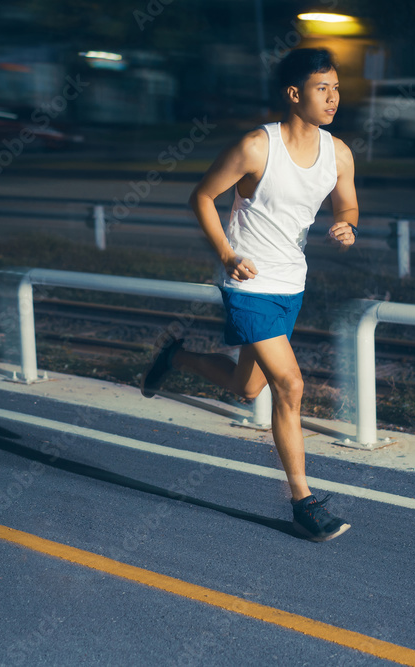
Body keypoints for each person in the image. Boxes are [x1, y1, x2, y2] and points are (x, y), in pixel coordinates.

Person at [140, 49, 358, 542]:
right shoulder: (258, 148)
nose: (333, 98)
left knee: (249, 389)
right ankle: (303, 502)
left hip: (290, 283)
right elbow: (201, 196)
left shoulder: (338, 152)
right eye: (323, 88)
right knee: (290, 385)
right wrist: (226, 253)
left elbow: (347, 202)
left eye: (337, 88)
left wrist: (347, 225)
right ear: (294, 94)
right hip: (248, 283)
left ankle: (177, 358)